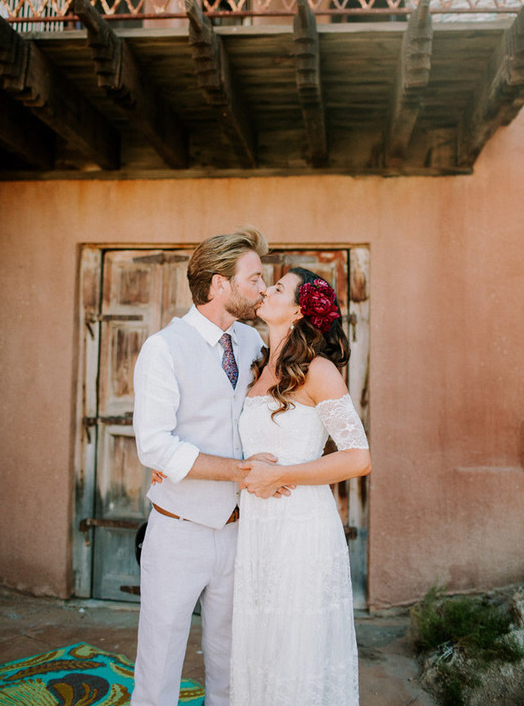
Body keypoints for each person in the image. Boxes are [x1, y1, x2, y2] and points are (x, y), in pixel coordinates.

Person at [131, 227, 287, 706]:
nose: (263, 288)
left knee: (230, 662)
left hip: (242, 532)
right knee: (159, 664)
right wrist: (239, 471)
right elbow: (155, 446)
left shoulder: (250, 344)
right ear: (220, 285)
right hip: (179, 532)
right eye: (255, 279)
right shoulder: (163, 349)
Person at [230, 267, 372, 706]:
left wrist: (281, 475)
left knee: (297, 648)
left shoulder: (318, 370)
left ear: (297, 311)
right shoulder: (256, 367)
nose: (265, 290)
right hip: (257, 530)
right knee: (262, 643)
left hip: (302, 528)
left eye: (276, 288)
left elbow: (358, 457)